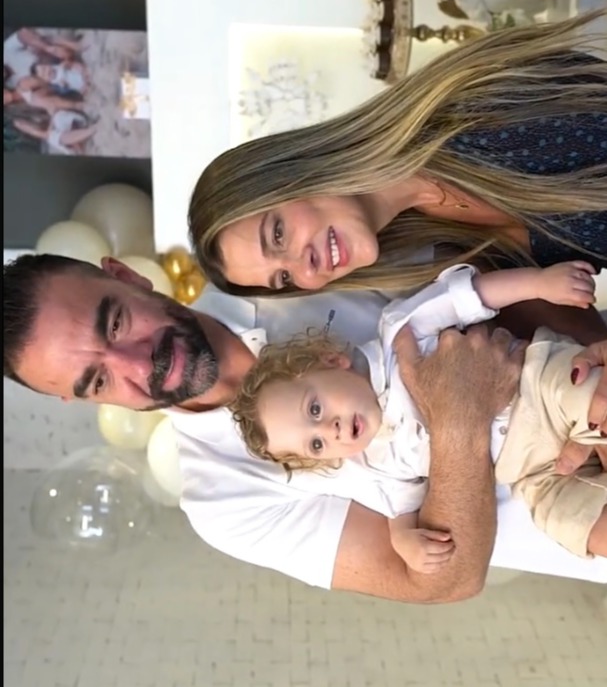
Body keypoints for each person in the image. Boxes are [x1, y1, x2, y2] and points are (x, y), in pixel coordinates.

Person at [3, 254, 607, 598]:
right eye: (98, 380)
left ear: (127, 276)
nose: (139, 364)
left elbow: (486, 271)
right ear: (80, 401)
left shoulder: (277, 267)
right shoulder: (223, 502)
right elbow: (445, 579)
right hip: (583, 514)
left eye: (113, 323)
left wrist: (591, 362)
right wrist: (458, 418)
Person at [188, 13, 607, 297]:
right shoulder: (451, 251)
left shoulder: (467, 112)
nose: (306, 270)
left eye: (278, 235)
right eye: (284, 278)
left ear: (292, 171)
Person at [231, 261, 606, 571]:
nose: (331, 430)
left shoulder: (398, 334)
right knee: (574, 524)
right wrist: (403, 540)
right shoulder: (374, 464)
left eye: (315, 409)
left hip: (538, 385)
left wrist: (538, 283)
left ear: (331, 361)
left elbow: (468, 295)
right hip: (533, 471)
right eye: (316, 444)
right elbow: (400, 505)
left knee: (591, 398)